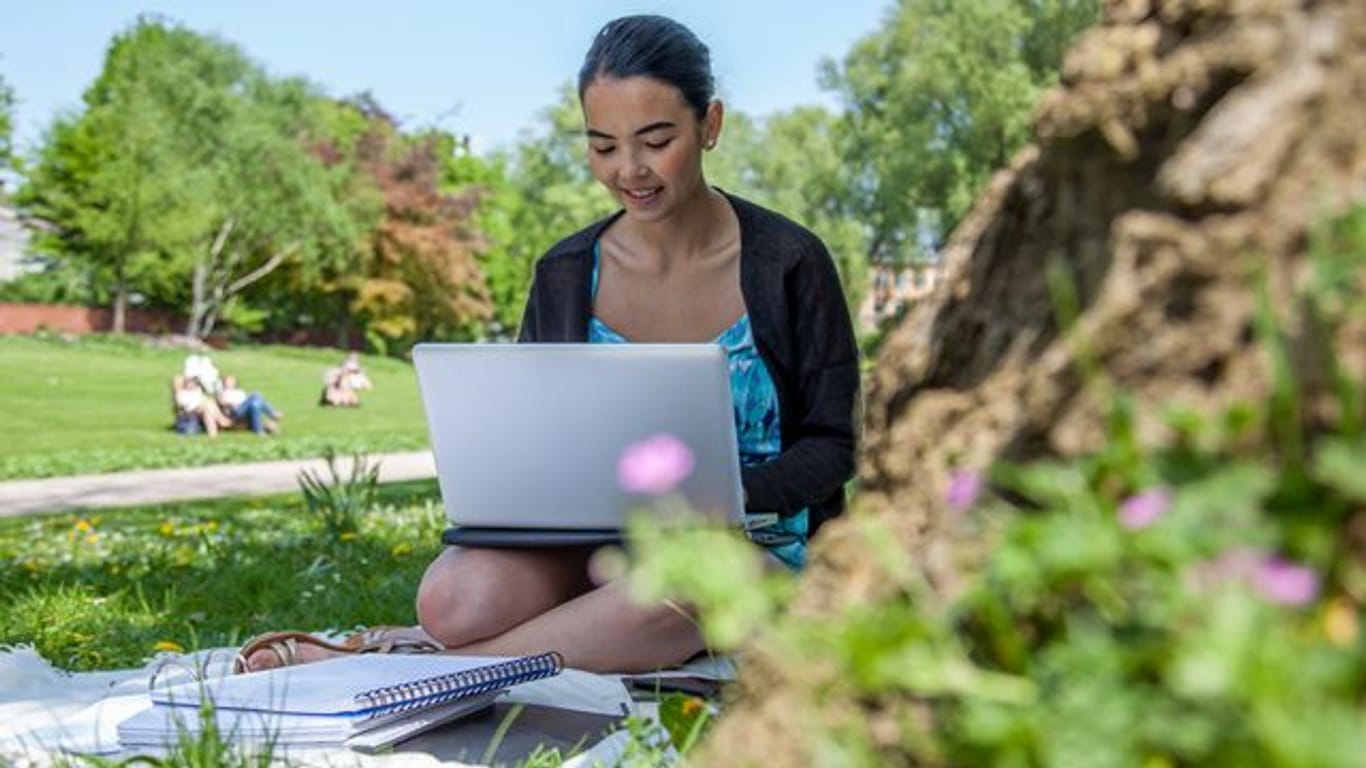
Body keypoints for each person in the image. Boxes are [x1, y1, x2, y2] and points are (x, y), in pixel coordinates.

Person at [239, 14, 859, 674]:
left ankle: (410, 671)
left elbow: (834, 445)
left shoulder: (789, 261)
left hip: (752, 548)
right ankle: (483, 647)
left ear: (710, 125)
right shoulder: (565, 273)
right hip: (598, 542)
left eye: (656, 140)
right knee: (453, 598)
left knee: (679, 586)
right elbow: (534, 439)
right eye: (603, 146)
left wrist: (732, 494)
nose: (630, 170)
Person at [218, 374, 283, 435]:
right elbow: (221, 402)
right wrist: (231, 404)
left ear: (235, 383)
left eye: (231, 381)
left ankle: (259, 431)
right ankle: (272, 413)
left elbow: (246, 401)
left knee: (255, 404)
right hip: (235, 412)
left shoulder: (240, 392)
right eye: (227, 381)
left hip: (245, 410)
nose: (229, 382)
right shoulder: (223, 392)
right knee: (256, 394)